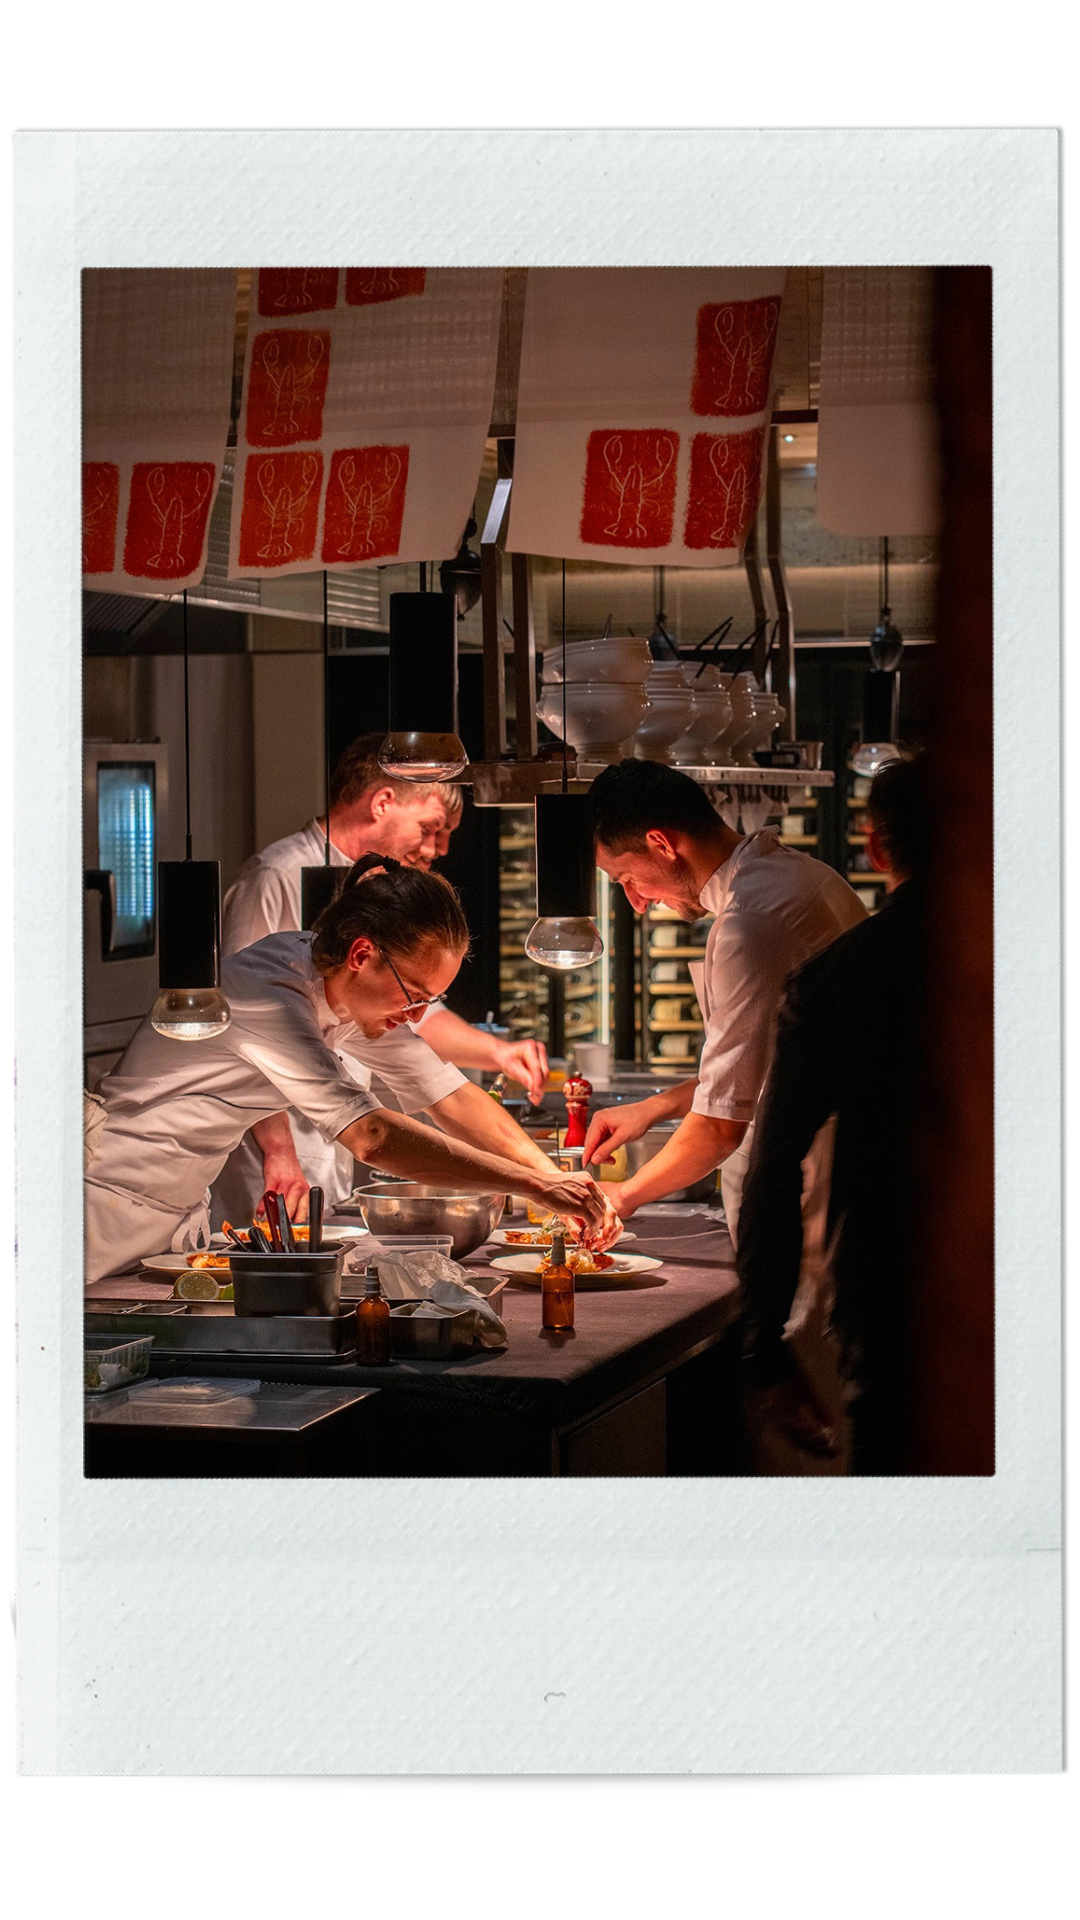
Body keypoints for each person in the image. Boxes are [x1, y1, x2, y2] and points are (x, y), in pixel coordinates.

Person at [85, 856, 618, 1286]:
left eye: (429, 1003)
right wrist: (533, 1185)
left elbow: (449, 1096)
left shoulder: (346, 994)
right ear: (362, 954)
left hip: (175, 1215)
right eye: (414, 997)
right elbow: (372, 1137)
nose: (415, 1018)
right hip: (100, 1206)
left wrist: (556, 1178)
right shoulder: (269, 993)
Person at [214, 738, 548, 1225]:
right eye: (431, 828)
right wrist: (280, 1151)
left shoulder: (365, 982)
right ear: (383, 803)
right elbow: (237, 1021)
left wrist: (496, 1054)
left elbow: (419, 1036)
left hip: (336, 1136)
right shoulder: (275, 878)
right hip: (275, 1151)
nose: (439, 849)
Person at [735, 756, 929, 1474]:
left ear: (876, 848)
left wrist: (763, 1349)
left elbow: (773, 1160)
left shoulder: (838, 979)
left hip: (892, 1299)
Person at [583, 760, 865, 1239]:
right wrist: (654, 1107)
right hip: (847, 1168)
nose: (636, 900)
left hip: (810, 1189)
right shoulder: (801, 875)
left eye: (626, 877)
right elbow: (766, 1067)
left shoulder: (749, 923)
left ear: (662, 844)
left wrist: (622, 1196)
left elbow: (719, 1128)